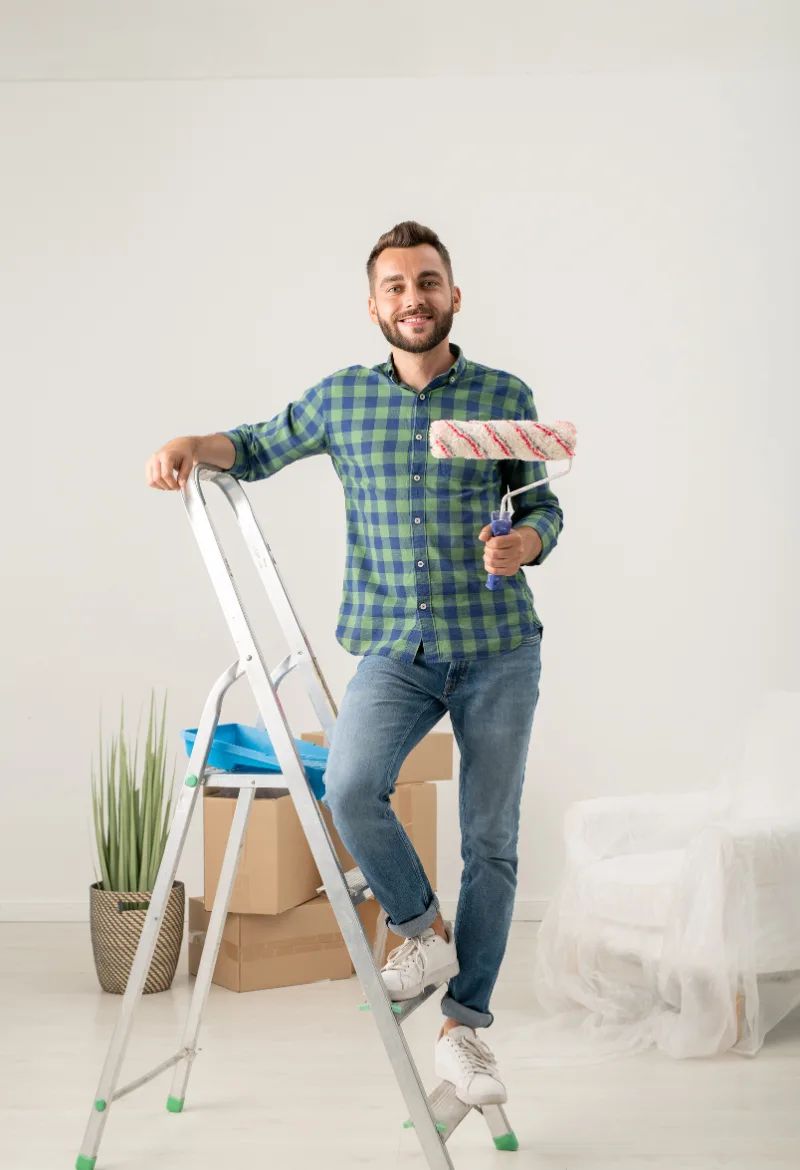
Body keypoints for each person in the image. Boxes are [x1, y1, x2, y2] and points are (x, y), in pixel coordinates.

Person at [146, 220, 564, 1107]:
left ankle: (465, 1031)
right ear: (374, 305)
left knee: (490, 843)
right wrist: (194, 442)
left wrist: (524, 540)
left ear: (454, 295)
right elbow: (255, 447)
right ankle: (422, 929)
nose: (413, 298)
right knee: (349, 786)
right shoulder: (344, 399)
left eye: (428, 281)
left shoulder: (502, 394)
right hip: (394, 649)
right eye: (396, 286)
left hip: (497, 650)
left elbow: (544, 507)